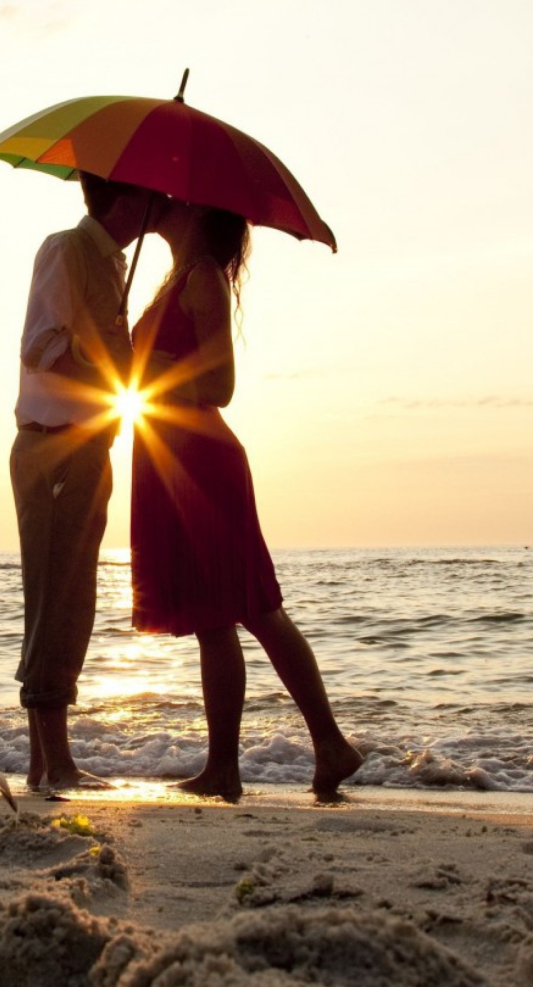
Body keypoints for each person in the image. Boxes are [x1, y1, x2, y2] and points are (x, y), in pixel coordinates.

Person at [130, 197, 363, 803]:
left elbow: (221, 385)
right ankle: (225, 768)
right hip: (169, 457)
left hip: (201, 460)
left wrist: (153, 366)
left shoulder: (203, 274)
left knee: (254, 606)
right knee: (213, 619)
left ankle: (328, 744)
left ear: (196, 211)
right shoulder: (175, 277)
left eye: (172, 199)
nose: (158, 202)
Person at [12, 172, 153, 792]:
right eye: (150, 194)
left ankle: (47, 765)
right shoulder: (68, 249)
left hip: (87, 445)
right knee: (55, 600)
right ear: (123, 197)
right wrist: (108, 374)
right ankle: (55, 764)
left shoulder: (113, 264)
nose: (160, 204)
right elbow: (41, 344)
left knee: (76, 600)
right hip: (54, 445)